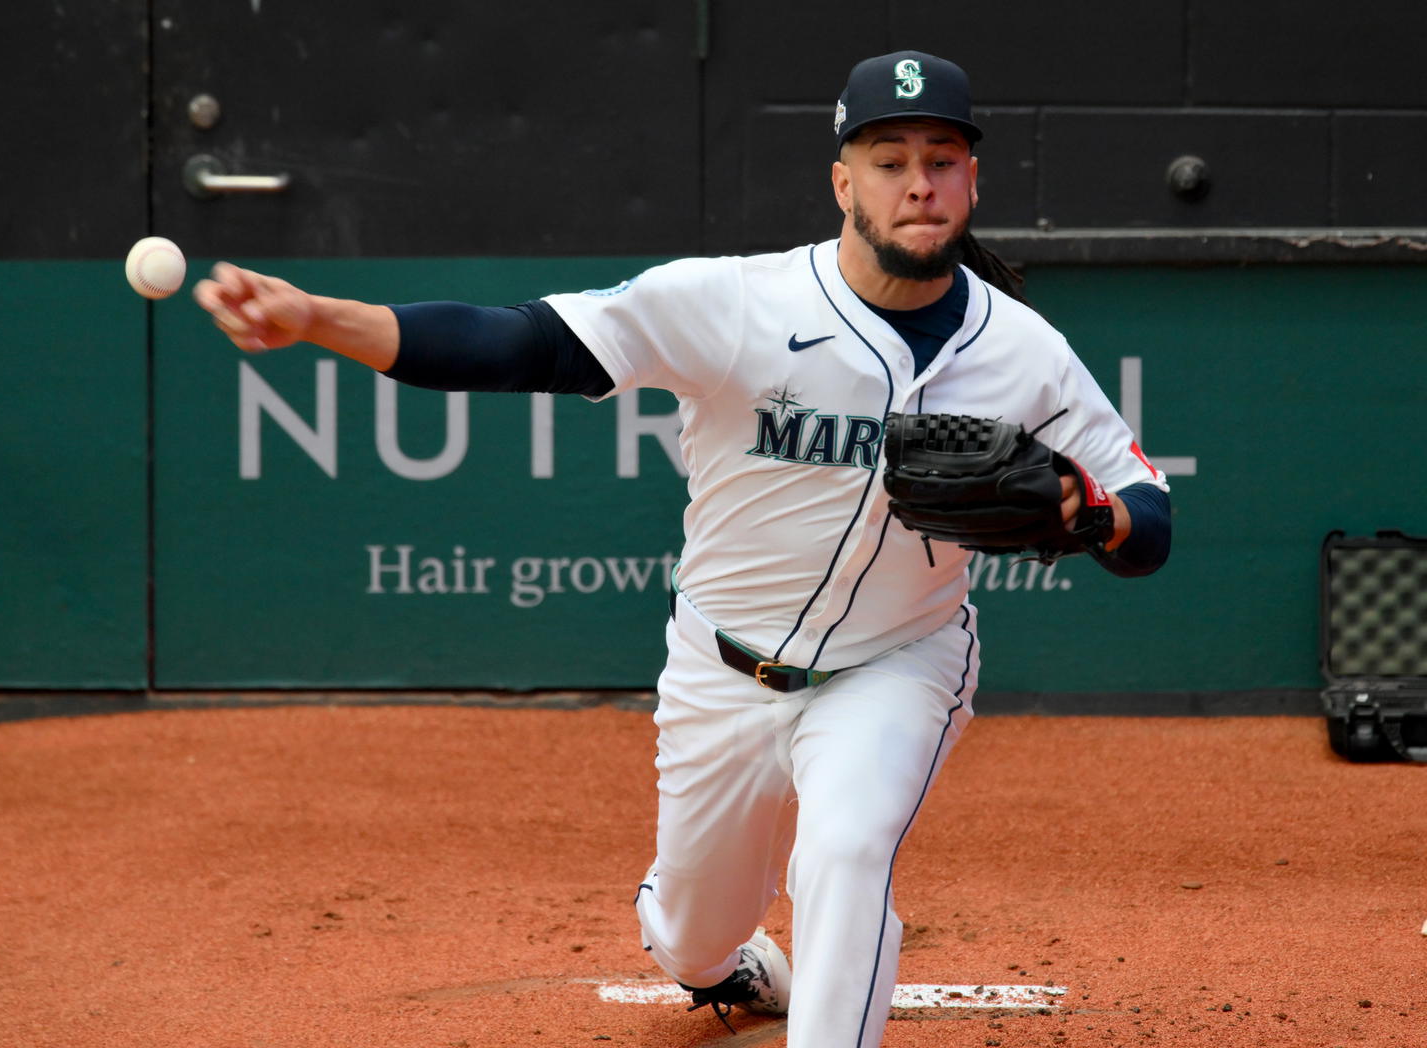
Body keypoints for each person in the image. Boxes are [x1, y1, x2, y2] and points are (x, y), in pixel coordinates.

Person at [195, 49, 1171, 1048]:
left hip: (898, 661)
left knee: (846, 846)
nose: (918, 180)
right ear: (843, 180)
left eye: (942, 156)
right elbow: (520, 344)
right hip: (722, 670)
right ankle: (722, 963)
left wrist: (1092, 515)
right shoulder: (737, 303)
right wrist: (317, 318)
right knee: (691, 934)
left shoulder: (1024, 350)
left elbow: (1149, 517)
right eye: (888, 158)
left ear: (972, 177)